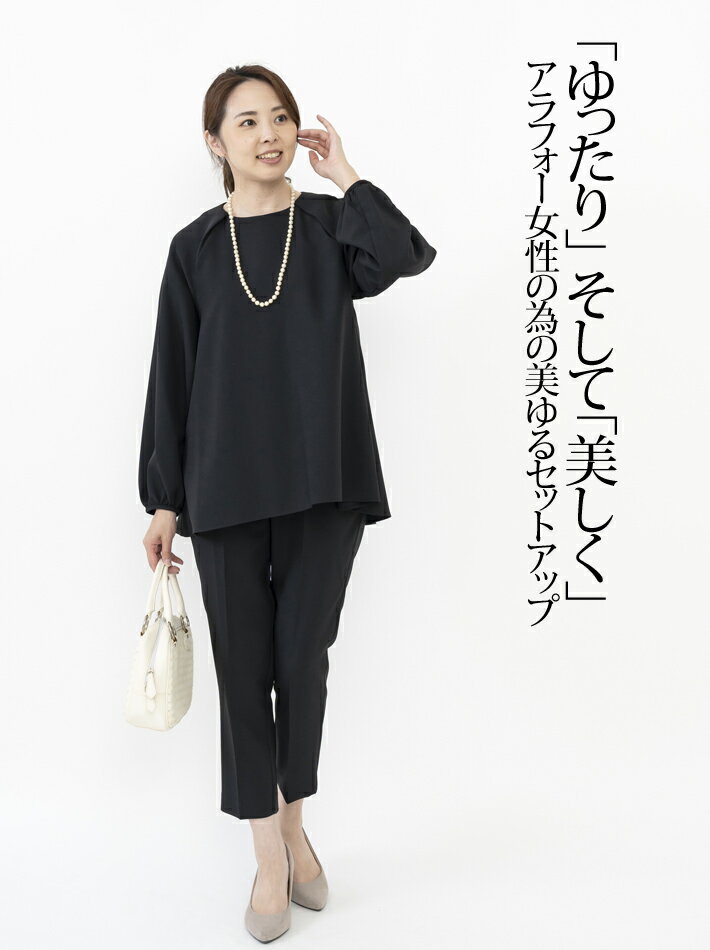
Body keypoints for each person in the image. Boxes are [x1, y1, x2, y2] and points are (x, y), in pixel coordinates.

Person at [137, 63, 436, 942]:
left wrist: (346, 174)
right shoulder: (195, 248)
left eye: (279, 117)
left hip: (322, 480)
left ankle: (296, 829)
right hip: (225, 490)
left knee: (302, 663)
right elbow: (172, 374)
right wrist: (163, 500)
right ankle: (270, 855)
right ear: (215, 142)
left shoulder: (332, 226)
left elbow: (405, 255)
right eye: (246, 122)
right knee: (245, 674)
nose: (268, 134)